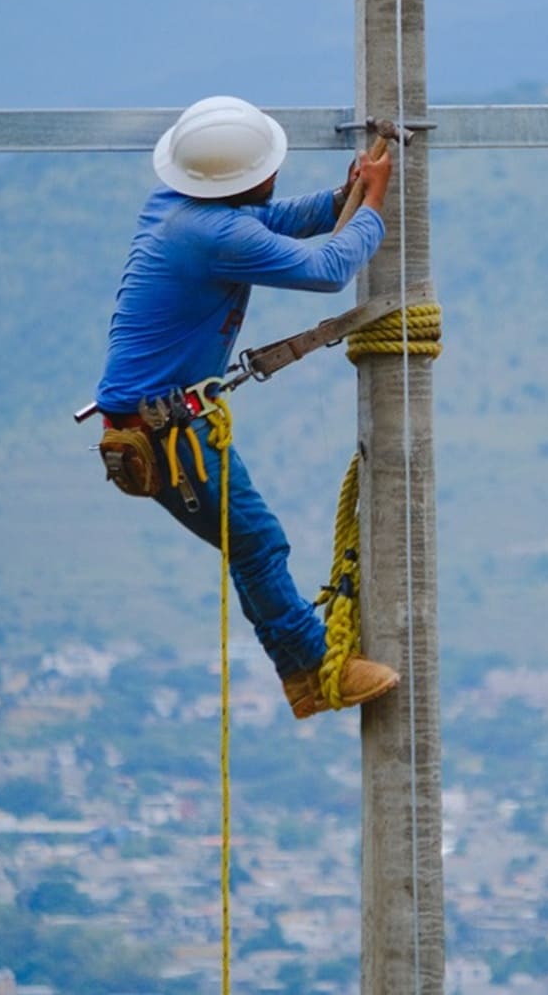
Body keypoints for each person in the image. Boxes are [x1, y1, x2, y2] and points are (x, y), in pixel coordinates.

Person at [94, 95, 400, 719]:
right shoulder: (218, 235)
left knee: (252, 544)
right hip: (167, 434)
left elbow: (271, 220)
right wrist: (371, 207)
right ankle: (312, 668)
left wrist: (341, 197)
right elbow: (328, 269)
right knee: (258, 543)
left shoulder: (174, 206)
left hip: (161, 422)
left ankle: (305, 672)